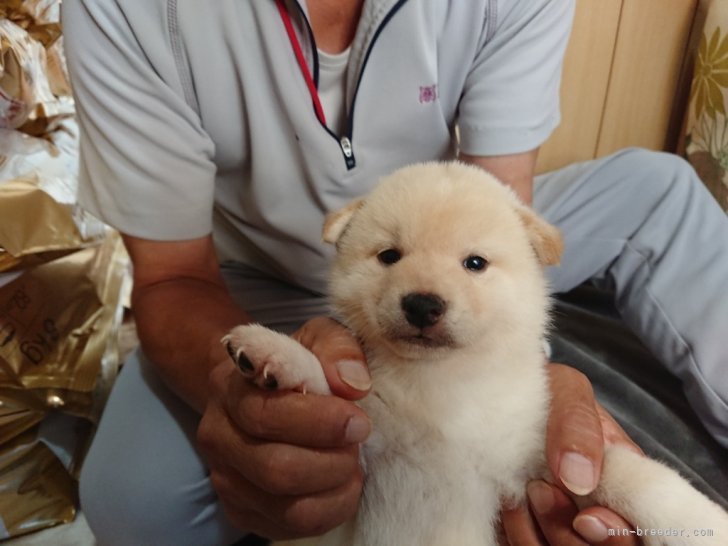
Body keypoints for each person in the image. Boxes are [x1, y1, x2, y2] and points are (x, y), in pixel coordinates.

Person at [61, 0, 728, 545]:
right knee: (134, 503)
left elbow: (498, 218)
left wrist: (521, 375)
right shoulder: (130, 9)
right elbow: (172, 277)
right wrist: (254, 408)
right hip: (251, 278)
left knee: (656, 188)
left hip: (450, 219)